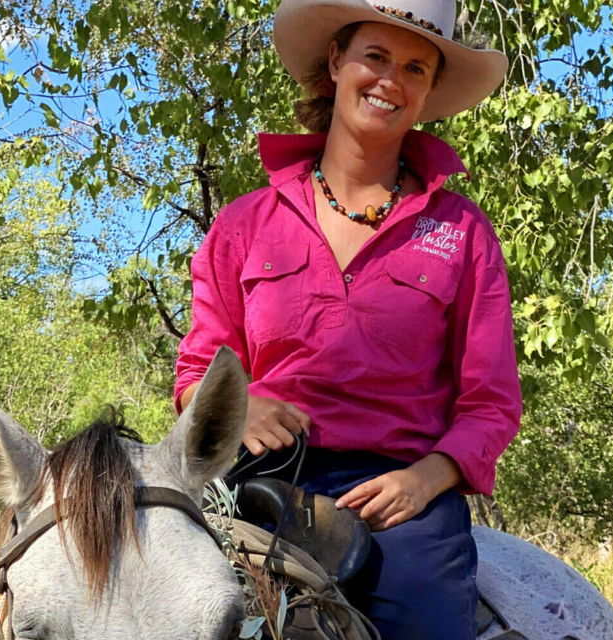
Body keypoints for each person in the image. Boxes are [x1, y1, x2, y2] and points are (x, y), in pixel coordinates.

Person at [174, 0, 521, 637]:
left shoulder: (463, 233)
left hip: (405, 504)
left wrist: (425, 481)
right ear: (336, 61)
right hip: (258, 481)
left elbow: (491, 404)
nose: (391, 80)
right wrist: (241, 407)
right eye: (376, 56)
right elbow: (198, 371)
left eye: (415, 68)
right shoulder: (244, 224)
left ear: (428, 91)